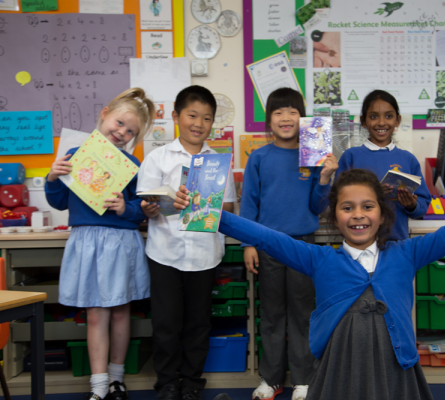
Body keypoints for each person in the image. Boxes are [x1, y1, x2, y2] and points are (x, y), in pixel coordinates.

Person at [174, 168, 445, 400]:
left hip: (394, 373)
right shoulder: (319, 259)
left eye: (368, 206)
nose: (358, 215)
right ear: (334, 215)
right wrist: (211, 213)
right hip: (339, 372)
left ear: (383, 214)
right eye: (347, 207)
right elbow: (265, 237)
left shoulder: (407, 253)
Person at [45, 88, 155, 400]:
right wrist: (52, 177)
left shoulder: (132, 164)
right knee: (96, 315)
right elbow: (60, 202)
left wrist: (126, 208)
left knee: (121, 312)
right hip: (88, 240)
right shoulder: (75, 154)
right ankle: (98, 385)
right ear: (105, 113)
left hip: (120, 242)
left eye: (130, 131)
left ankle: (117, 380)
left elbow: (141, 209)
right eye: (119, 123)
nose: (121, 132)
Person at [136, 85, 236, 400]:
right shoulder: (157, 158)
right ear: (178, 116)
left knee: (198, 323)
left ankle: (192, 383)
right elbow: (146, 206)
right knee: (166, 323)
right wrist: (157, 205)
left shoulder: (220, 163)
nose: (199, 123)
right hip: (164, 253)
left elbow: (230, 209)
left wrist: (210, 200)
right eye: (193, 115)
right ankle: (166, 383)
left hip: (204, 254)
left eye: (207, 118)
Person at [240, 87, 338, 400]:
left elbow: (317, 207)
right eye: (278, 112)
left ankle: (303, 379)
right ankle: (270, 379)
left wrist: (324, 179)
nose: (285, 118)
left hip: (303, 245)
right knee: (271, 313)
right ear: (268, 120)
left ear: (302, 118)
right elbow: (249, 206)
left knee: (302, 312)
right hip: (268, 245)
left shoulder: (312, 155)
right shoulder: (259, 157)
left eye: (293, 112)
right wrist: (249, 243)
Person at [336, 89, 431, 241]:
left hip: (397, 241)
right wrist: (372, 193)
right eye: (374, 116)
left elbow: (422, 205)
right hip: (357, 242)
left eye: (388, 116)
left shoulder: (408, 159)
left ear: (397, 120)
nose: (381, 122)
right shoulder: (351, 156)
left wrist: (411, 205)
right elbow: (337, 200)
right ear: (363, 121)